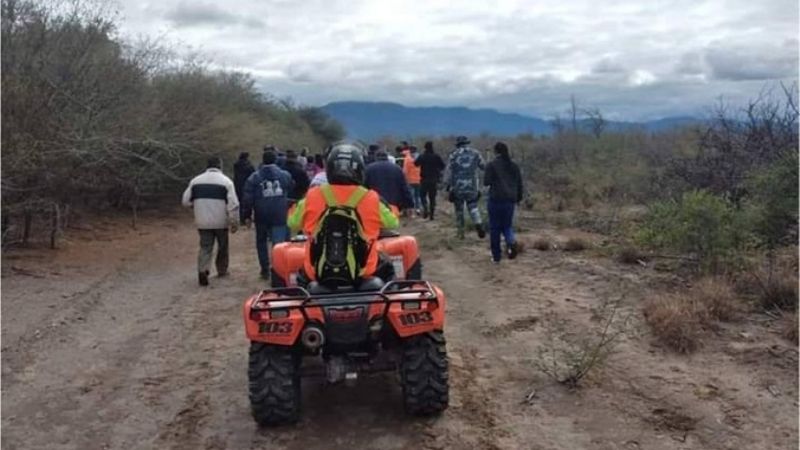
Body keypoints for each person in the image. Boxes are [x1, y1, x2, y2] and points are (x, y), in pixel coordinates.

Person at [288, 142, 399, 286]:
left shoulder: (312, 195)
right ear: (360, 169)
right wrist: (391, 208)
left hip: (316, 272)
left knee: (301, 277)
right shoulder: (370, 197)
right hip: (365, 272)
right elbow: (393, 222)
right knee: (388, 268)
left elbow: (292, 222)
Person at [182, 156, 239, 286]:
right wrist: (234, 222)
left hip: (202, 221)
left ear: (207, 166)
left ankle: (203, 269)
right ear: (220, 166)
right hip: (221, 221)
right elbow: (233, 204)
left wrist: (195, 205)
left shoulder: (195, 181)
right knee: (222, 246)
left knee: (205, 247)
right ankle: (222, 270)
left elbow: (185, 201)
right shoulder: (226, 182)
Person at [240, 149, 295, 279]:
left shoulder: (254, 177)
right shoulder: (285, 175)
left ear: (262, 161)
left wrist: (246, 215)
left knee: (261, 242)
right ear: (276, 160)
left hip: (261, 214)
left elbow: (247, 198)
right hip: (279, 213)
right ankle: (278, 270)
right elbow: (291, 186)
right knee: (278, 243)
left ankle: (265, 269)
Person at [484, 142, 524, 263]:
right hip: (509, 201)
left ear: (496, 152)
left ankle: (496, 256)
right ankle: (511, 242)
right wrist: (518, 198)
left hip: (495, 200)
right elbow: (519, 184)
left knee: (494, 228)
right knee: (507, 226)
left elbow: (486, 182)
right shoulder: (514, 166)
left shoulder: (492, 165)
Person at [446, 135, 486, 239]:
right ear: (467, 143)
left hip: (458, 186)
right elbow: (484, 167)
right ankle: (478, 224)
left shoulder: (453, 155)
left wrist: (448, 186)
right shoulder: (476, 153)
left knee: (459, 210)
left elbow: (449, 172)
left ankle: (461, 233)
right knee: (473, 206)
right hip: (472, 185)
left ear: (458, 144)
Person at [415, 141, 446, 220]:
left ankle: (425, 208)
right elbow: (443, 166)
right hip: (434, 180)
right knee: (432, 198)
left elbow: (416, 163)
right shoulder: (436, 156)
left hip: (424, 179)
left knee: (422, 196)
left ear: (425, 147)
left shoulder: (422, 156)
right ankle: (432, 215)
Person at [403, 145, 422, 214]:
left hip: (410, 180)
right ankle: (418, 209)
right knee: (418, 195)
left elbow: (405, 170)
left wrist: (404, 178)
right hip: (419, 179)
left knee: (412, 195)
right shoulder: (420, 157)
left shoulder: (407, 159)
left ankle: (412, 210)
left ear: (410, 150)